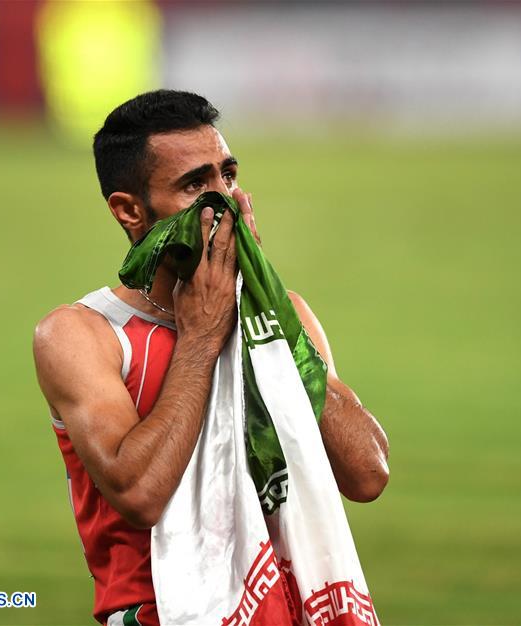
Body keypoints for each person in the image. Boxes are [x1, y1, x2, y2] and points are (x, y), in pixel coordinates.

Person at [32, 90, 390, 626]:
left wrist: (267, 311)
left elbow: (367, 474)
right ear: (130, 211)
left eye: (228, 175)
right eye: (195, 185)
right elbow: (140, 493)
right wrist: (201, 337)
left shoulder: (282, 317)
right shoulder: (84, 335)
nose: (226, 199)